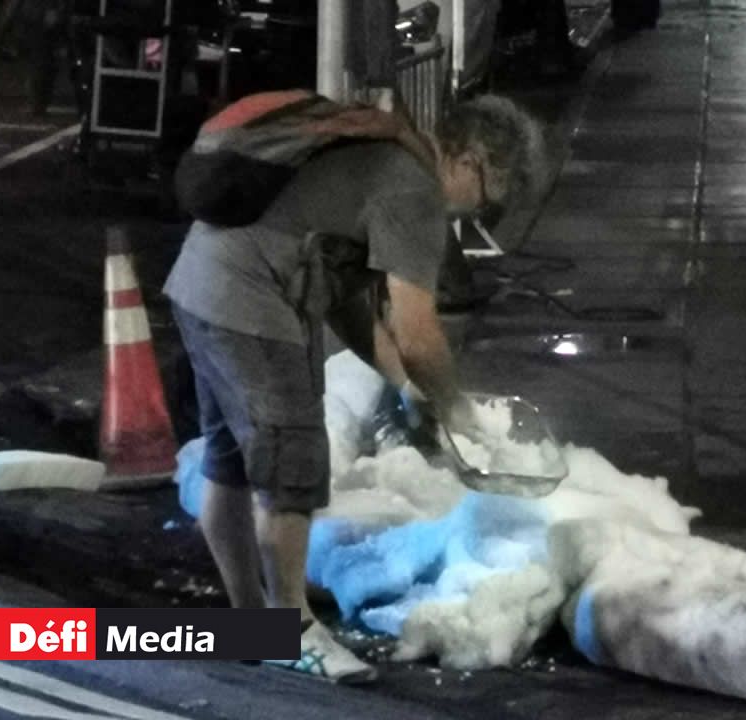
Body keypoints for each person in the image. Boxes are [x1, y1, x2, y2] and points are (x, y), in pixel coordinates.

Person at [162, 95, 547, 682]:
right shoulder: (413, 190)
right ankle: (288, 634)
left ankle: (250, 622)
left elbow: (343, 298)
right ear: (471, 160)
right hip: (248, 302)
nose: (480, 213)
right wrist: (455, 407)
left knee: (230, 460)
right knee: (294, 464)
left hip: (201, 284)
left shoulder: (385, 161)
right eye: (491, 196)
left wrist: (404, 385)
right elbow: (420, 333)